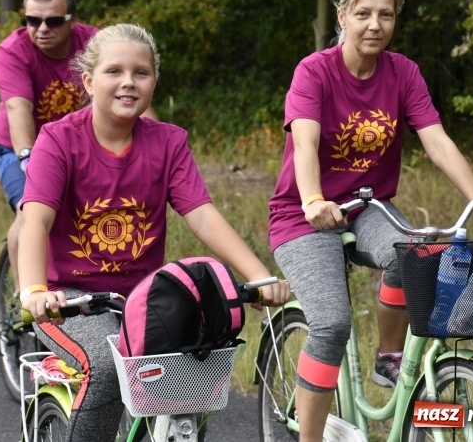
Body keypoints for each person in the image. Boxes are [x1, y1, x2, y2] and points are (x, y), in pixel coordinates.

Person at [267, 0, 473, 442]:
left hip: (368, 207)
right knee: (332, 324)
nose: (374, 24)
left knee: (416, 249)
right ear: (343, 17)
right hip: (303, 216)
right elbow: (306, 145)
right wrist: (314, 198)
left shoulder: (403, 72)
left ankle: (389, 358)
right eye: (363, 14)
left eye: (386, 14)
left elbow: (436, 142)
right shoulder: (314, 71)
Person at [18, 23, 291, 441]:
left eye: (141, 73)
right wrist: (36, 291)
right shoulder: (57, 141)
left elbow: (201, 214)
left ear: (154, 82)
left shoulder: (168, 142)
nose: (128, 82)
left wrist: (259, 275)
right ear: (89, 82)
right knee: (108, 366)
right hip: (71, 298)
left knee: (191, 369)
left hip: (145, 296)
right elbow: (37, 219)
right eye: (114, 72)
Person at [0, 0, 155, 300]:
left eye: (52, 21)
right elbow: (17, 108)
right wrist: (28, 158)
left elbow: (130, 97)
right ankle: (27, 301)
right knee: (28, 212)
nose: (41, 29)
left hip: (77, 148)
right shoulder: (12, 52)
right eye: (32, 20)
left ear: (72, 20)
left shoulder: (95, 43)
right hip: (17, 148)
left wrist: (160, 141)